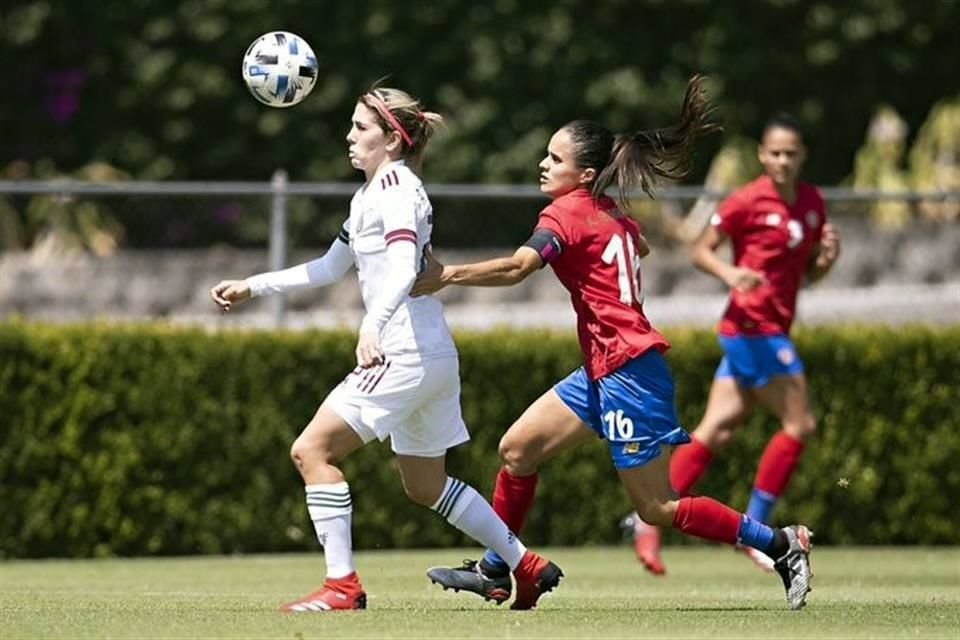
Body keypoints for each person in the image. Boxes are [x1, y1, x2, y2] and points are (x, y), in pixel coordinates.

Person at [412, 78, 814, 611]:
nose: (543, 164)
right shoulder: (609, 213)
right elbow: (638, 247)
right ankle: (495, 570)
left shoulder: (567, 212)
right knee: (516, 450)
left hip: (628, 371)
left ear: (582, 175)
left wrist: (447, 275)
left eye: (555, 158)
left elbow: (517, 268)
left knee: (657, 508)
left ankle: (781, 545)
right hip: (605, 370)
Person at [209, 84, 562, 613]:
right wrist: (254, 285)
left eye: (360, 128)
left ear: (392, 140)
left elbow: (401, 267)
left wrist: (372, 325)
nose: (349, 137)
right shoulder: (372, 194)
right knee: (427, 486)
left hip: (403, 351)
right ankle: (525, 564)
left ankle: (341, 586)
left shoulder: (396, 189)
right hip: (430, 353)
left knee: (311, 452)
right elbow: (330, 267)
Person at [624, 112, 841, 576]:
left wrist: (827, 259)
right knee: (800, 423)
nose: (782, 160)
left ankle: (646, 520)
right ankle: (757, 529)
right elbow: (700, 249)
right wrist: (731, 274)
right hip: (751, 328)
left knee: (715, 429)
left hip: (772, 328)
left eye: (791, 153)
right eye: (775, 152)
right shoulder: (746, 200)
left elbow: (809, 275)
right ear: (763, 155)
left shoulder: (811, 202)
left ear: (802, 156)